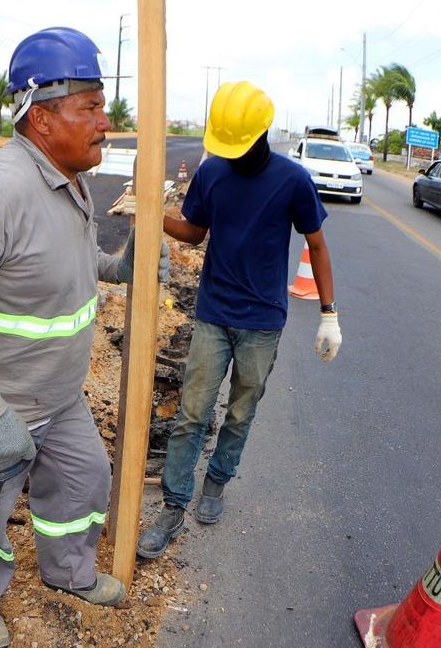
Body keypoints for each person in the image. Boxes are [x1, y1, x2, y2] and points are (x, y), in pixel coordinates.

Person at [0, 26, 168, 648]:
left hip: (58, 394)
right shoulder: (0, 192)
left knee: (83, 480)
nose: (106, 124)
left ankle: (68, 573)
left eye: (104, 107)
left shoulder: (68, 175)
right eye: (90, 108)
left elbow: (52, 259)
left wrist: (116, 266)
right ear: (42, 118)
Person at [136, 81, 342, 559]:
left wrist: (329, 313)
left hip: (262, 322)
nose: (234, 155)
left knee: (241, 411)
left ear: (262, 134)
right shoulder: (212, 175)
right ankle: (173, 505)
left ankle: (217, 482)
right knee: (191, 413)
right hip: (213, 313)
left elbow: (317, 245)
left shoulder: (293, 180)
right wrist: (152, 213)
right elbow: (194, 232)